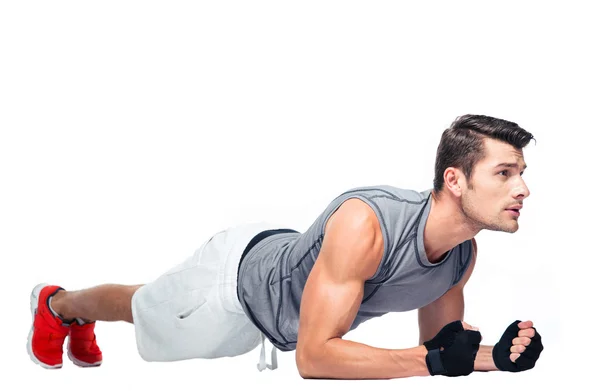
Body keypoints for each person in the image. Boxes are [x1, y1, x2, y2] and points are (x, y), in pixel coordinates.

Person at [27, 114, 544, 378]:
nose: (523, 189)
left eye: (521, 174)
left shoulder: (460, 258)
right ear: (455, 180)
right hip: (231, 283)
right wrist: (432, 362)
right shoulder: (368, 222)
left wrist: (495, 358)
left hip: (279, 314)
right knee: (143, 307)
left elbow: (438, 350)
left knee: (150, 306)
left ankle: (69, 309)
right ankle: (59, 304)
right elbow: (315, 359)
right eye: (504, 173)